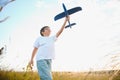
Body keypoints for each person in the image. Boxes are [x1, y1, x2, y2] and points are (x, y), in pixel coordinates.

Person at [29, 16, 70, 80]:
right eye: (47, 29)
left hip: (49, 60)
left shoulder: (52, 38)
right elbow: (35, 49)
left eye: (50, 29)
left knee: (45, 78)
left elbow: (60, 31)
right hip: (41, 60)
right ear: (42, 32)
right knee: (48, 78)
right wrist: (31, 59)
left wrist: (65, 21)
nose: (49, 30)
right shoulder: (39, 38)